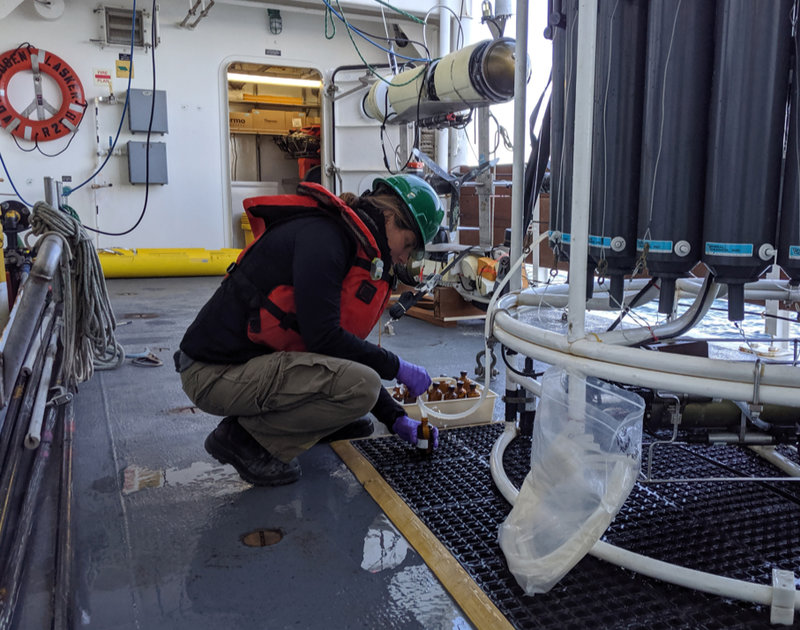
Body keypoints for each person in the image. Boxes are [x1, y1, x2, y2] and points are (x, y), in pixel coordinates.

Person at [174, 174, 445, 486]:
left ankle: (316, 424)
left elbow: (337, 352)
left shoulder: (346, 241)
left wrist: (394, 416)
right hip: (212, 375)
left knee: (357, 389)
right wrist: (396, 366)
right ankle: (245, 440)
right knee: (362, 386)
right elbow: (323, 339)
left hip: (243, 367)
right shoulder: (325, 239)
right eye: (408, 244)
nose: (404, 257)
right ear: (387, 217)